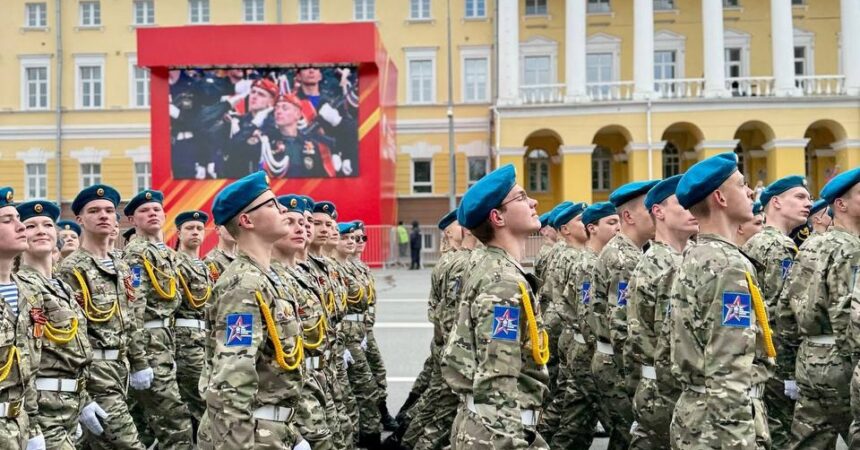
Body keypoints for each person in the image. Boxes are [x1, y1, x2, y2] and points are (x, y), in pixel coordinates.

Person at [441, 164, 550, 449]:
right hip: (497, 431)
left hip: (491, 426)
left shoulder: (493, 265)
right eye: (521, 197)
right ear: (497, 217)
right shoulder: (503, 282)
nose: (533, 202)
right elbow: (497, 381)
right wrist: (510, 442)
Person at [198, 171, 309, 450]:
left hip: (272, 429)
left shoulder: (269, 278)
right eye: (271, 204)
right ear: (246, 220)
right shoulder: (243, 285)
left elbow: (272, 370)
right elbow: (232, 381)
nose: (283, 209)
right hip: (250, 435)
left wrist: (292, 434)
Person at [670, 152, 773, 449]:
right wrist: (736, 439)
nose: (751, 191)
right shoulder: (727, 265)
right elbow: (728, 368)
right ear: (721, 198)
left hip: (698, 415)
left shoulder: (696, 255)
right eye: (742, 185)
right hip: (721, 425)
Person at [57, 184, 148, 450]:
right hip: (95, 375)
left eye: (109, 211)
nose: (104, 215)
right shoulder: (71, 270)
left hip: (122, 372)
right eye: (94, 211)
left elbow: (130, 321)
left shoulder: (120, 265)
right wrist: (82, 396)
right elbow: (68, 339)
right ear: (80, 220)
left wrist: (139, 363)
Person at [787, 168, 860, 448]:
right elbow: (848, 317)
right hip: (840, 362)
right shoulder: (851, 248)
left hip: (809, 357)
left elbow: (786, 307)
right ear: (841, 205)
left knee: (810, 441)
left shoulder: (811, 245)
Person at [625, 175, 698, 449]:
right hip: (664, 390)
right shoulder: (659, 265)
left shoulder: (687, 258)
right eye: (683, 205)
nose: (693, 211)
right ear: (659, 212)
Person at [15, 200, 94, 449]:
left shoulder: (61, 286)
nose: (41, 230)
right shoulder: (21, 287)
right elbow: (23, 361)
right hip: (44, 407)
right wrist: (32, 424)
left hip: (71, 403)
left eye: (47, 225)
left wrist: (84, 400)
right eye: (30, 226)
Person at [742, 176, 812, 448]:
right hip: (778, 357)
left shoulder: (755, 241)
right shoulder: (780, 247)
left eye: (808, 198)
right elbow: (783, 311)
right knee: (781, 434)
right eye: (799, 197)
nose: (808, 203)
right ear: (776, 202)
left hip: (758, 354)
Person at [590, 179, 659, 448]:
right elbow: (621, 326)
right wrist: (637, 380)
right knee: (628, 437)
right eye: (649, 209)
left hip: (616, 362)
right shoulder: (624, 259)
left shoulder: (636, 252)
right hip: (618, 366)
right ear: (628, 216)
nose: (656, 214)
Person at [122, 190, 194, 449]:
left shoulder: (166, 254)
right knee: (176, 424)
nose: (152, 213)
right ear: (132, 220)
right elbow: (133, 310)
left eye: (156, 209)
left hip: (170, 342)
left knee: (150, 424)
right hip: (150, 345)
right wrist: (140, 361)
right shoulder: (135, 255)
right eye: (144, 211)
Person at [552, 202, 620, 448]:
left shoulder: (595, 259)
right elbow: (587, 314)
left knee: (574, 421)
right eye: (611, 223)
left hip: (583, 349)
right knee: (621, 426)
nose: (618, 228)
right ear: (593, 228)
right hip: (588, 351)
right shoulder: (589, 264)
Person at [271, 195, 336, 450]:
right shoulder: (267, 277)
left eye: (306, 221)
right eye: (291, 221)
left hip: (318, 372)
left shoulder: (302, 272)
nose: (303, 227)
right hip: (294, 384)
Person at [396, 210, 460, 440]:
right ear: (451, 232)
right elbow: (448, 310)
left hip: (445, 341)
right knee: (440, 403)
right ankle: (403, 438)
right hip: (451, 344)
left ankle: (403, 430)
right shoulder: (455, 263)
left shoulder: (450, 260)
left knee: (435, 396)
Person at [538, 202, 589, 443]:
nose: (586, 223)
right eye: (580, 220)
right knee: (563, 400)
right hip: (564, 332)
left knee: (563, 400)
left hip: (559, 331)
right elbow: (562, 303)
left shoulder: (566, 254)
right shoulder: (570, 257)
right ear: (566, 229)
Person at [0, 188, 44, 450]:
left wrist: (34, 427)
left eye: (18, 218)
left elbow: (29, 369)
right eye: (7, 220)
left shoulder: (27, 291)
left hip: (20, 425)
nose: (20, 226)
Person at [332, 221, 383, 448]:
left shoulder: (355, 267)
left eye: (358, 238)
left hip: (358, 333)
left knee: (367, 385)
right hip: (343, 340)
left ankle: (369, 434)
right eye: (348, 238)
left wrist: (365, 330)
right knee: (354, 394)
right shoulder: (333, 269)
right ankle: (366, 437)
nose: (354, 242)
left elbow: (366, 303)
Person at [350, 221, 398, 431]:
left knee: (377, 372)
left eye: (362, 238)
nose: (358, 242)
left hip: (365, 331)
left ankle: (381, 412)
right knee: (362, 381)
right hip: (351, 335)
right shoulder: (341, 268)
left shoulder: (363, 268)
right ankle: (369, 422)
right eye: (353, 238)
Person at [172, 210, 215, 439]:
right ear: (179, 232)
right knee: (201, 401)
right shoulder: (174, 263)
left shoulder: (204, 266)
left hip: (204, 340)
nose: (196, 232)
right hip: (185, 342)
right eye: (190, 228)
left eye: (199, 228)